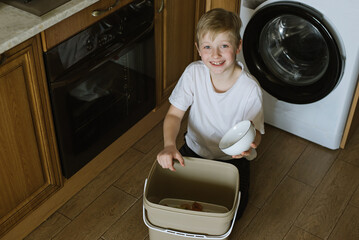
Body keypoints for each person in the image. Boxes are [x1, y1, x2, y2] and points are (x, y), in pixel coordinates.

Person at [156, 8, 265, 219]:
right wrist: (169, 145)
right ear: (198, 49)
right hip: (194, 149)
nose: (215, 55)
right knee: (173, 199)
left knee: (228, 212)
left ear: (238, 46)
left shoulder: (250, 89)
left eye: (224, 46)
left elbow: (257, 133)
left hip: (232, 160)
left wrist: (250, 146)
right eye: (208, 47)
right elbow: (174, 116)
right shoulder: (193, 74)